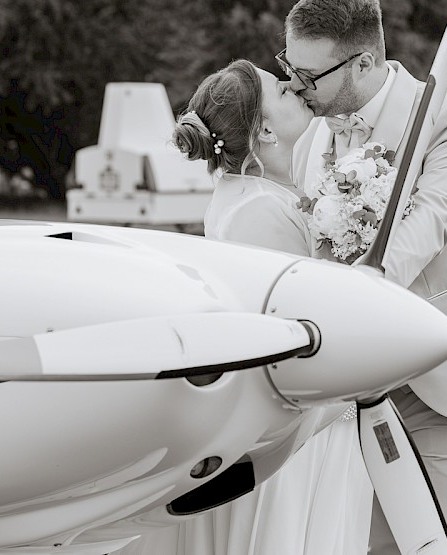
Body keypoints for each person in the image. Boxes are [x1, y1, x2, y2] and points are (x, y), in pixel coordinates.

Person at [281, 0, 447, 554]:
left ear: (364, 62)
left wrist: (367, 287)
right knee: (369, 544)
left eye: (309, 75)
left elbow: (432, 220)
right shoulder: (311, 141)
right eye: (289, 67)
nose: (294, 86)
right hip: (356, 388)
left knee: (442, 546)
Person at [117, 59, 372, 555]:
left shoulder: (260, 194)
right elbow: (298, 330)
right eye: (281, 88)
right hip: (298, 426)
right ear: (265, 129)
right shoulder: (258, 212)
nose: (294, 86)